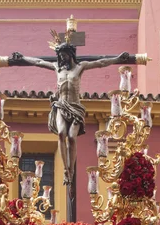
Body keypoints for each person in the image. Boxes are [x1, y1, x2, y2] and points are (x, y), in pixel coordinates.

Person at [11, 45, 130, 185]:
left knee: (72, 137)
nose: (62, 58)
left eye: (64, 55)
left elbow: (100, 63)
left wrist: (117, 59)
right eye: (60, 55)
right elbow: (39, 62)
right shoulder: (57, 68)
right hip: (61, 105)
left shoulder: (80, 67)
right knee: (61, 133)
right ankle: (65, 170)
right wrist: (23, 58)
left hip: (75, 107)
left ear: (70, 54)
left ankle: (71, 170)